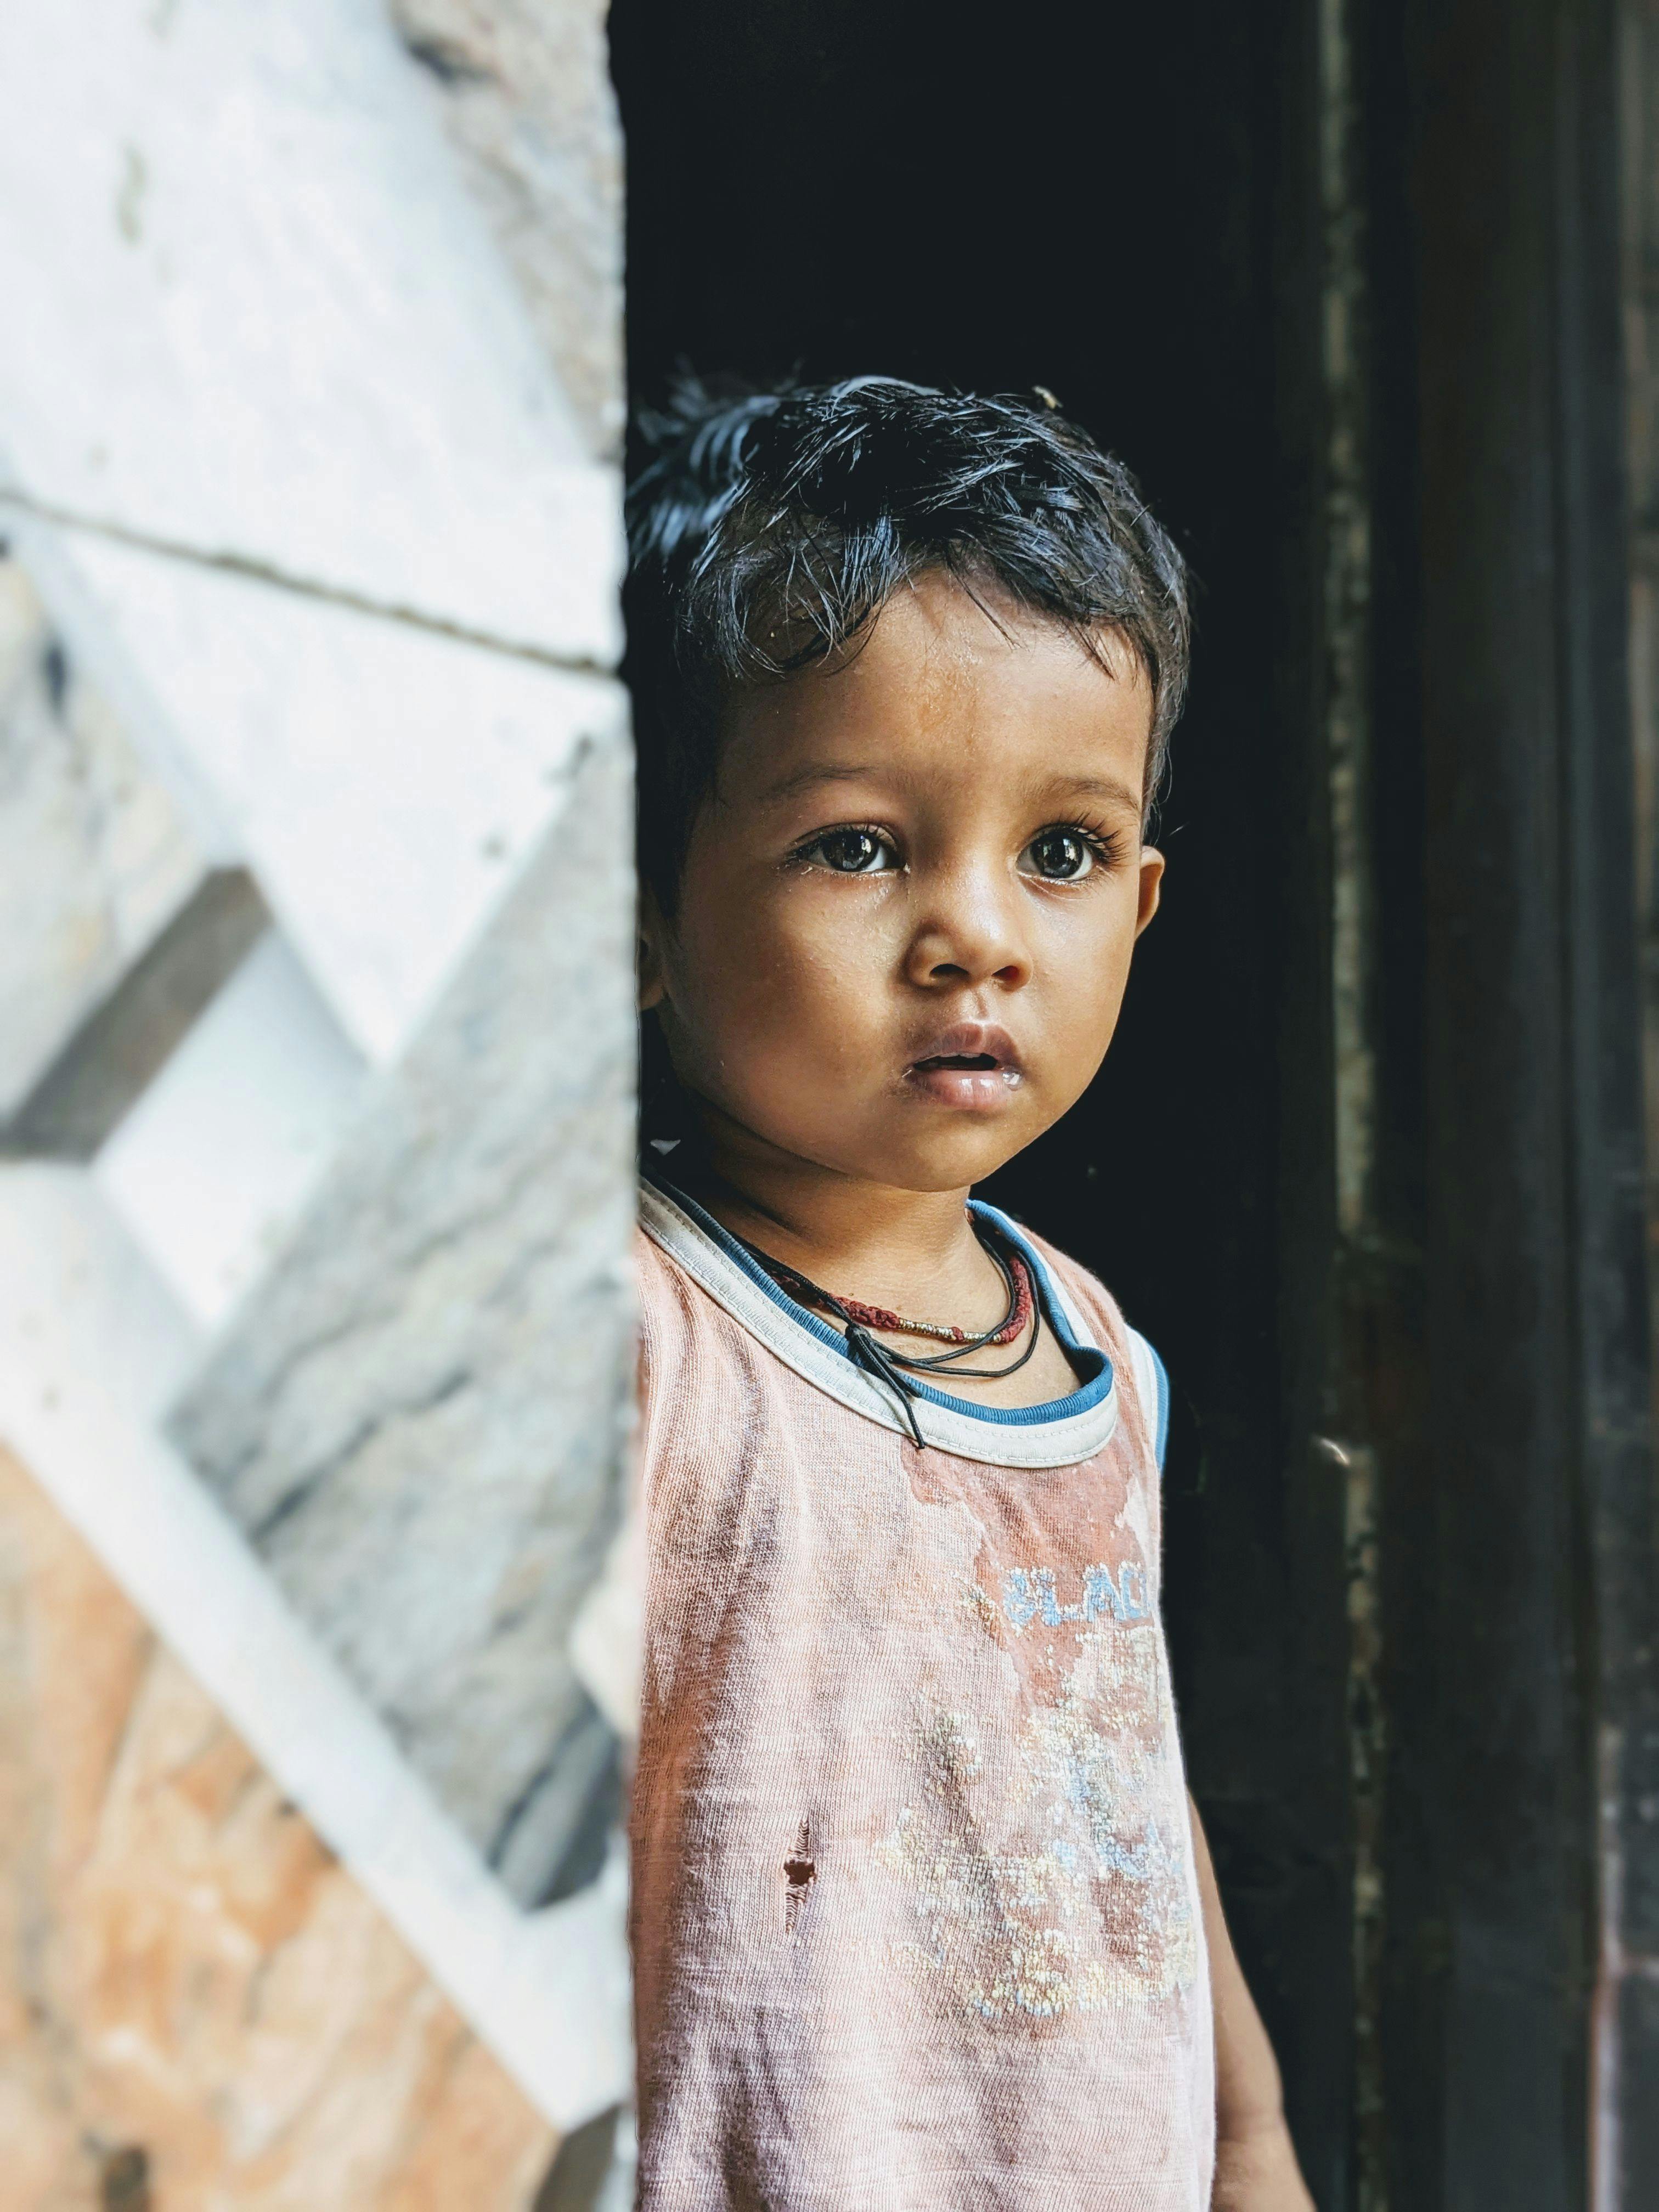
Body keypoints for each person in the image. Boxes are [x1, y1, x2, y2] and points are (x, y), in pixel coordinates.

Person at [624, 376, 1314, 2211]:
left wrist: (1250, 2147)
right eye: (859, 845)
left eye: (1063, 853)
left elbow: (1123, 1785)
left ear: (1144, 906)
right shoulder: (635, 1338)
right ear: (639, 914)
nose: (981, 933)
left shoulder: (1101, 1358)